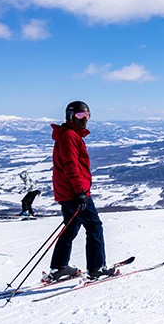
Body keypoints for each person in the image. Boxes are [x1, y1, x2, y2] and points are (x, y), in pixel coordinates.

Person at [46, 101, 116, 282]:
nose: (84, 120)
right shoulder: (69, 136)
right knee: (94, 226)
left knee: (71, 227)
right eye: (80, 116)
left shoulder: (69, 135)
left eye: (87, 116)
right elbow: (71, 166)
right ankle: (96, 268)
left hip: (67, 191)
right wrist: (81, 192)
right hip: (74, 192)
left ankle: (59, 267)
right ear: (70, 116)